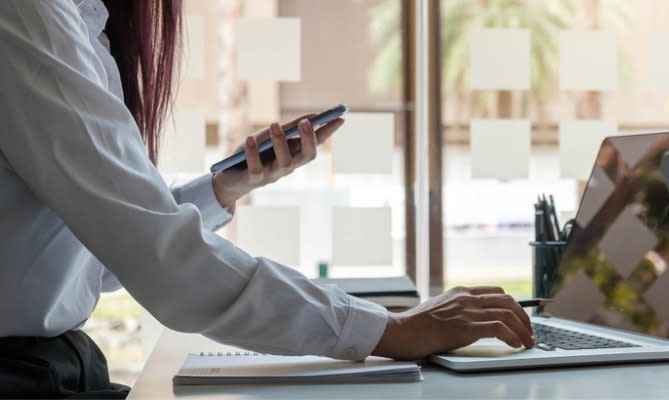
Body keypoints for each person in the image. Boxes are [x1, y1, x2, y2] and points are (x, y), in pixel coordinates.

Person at [0, 0, 534, 398]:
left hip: (57, 367)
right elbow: (159, 260)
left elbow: (102, 253)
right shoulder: (29, 14)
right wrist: (390, 330)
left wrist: (223, 189)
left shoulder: (72, 18)